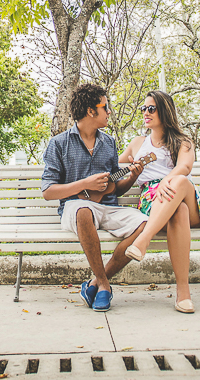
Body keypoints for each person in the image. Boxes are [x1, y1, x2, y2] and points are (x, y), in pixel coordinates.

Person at [41, 83, 148, 312]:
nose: (109, 111)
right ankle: (105, 288)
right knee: (83, 211)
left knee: (144, 225)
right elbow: (48, 191)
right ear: (91, 111)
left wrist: (131, 176)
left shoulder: (109, 142)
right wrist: (83, 184)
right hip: (75, 208)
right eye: (105, 106)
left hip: (107, 208)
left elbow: (113, 188)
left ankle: (97, 281)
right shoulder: (59, 144)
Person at [118, 90, 200, 314]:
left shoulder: (183, 141)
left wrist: (167, 180)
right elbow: (114, 165)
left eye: (151, 108)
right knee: (177, 211)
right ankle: (183, 294)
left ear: (164, 110)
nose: (146, 113)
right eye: (143, 108)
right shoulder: (137, 143)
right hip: (154, 203)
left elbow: (184, 168)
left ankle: (143, 241)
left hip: (186, 197)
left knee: (179, 182)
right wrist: (129, 172)